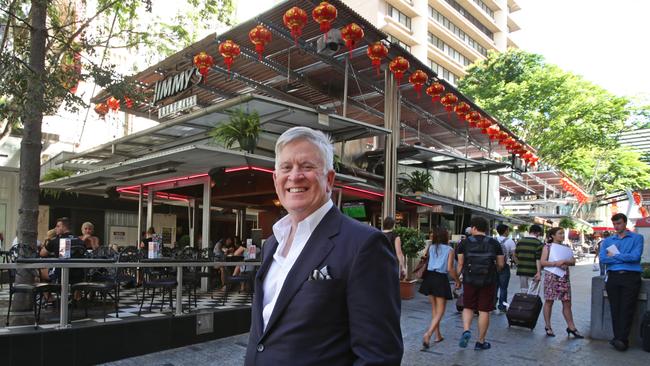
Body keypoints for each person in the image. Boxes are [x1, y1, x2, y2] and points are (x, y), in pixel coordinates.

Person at [245, 126, 403, 365]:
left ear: (329, 179)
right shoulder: (272, 243)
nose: (295, 176)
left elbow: (379, 356)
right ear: (276, 179)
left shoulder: (365, 244)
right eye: (286, 167)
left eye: (307, 167)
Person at [456, 216, 504, 351]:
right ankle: (480, 341)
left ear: (474, 228)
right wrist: (495, 271)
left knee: (468, 307)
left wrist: (457, 279)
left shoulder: (464, 243)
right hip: (488, 280)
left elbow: (460, 264)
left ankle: (466, 330)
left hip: (469, 279)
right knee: (484, 310)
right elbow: (501, 264)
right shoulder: (494, 243)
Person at [599, 213, 644, 351]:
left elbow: (635, 257)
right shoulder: (607, 241)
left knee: (627, 308)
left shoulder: (637, 238)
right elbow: (603, 259)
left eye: (619, 223)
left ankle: (621, 340)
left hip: (631, 277)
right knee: (615, 308)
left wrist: (616, 255)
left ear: (625, 223)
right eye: (615, 224)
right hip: (613, 277)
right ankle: (618, 338)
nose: (616, 226)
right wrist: (624, 257)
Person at [418, 229, 460, 349]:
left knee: (434, 309)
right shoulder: (450, 249)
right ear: (446, 237)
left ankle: (438, 335)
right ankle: (428, 334)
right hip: (440, 279)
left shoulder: (431, 248)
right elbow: (450, 268)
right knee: (440, 311)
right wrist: (458, 280)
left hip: (429, 278)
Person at [540, 227, 583, 338]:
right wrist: (556, 263)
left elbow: (573, 261)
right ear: (553, 235)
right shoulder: (547, 247)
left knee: (567, 302)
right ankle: (548, 326)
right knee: (549, 301)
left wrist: (565, 261)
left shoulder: (566, 247)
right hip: (552, 276)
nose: (562, 236)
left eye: (563, 233)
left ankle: (571, 327)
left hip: (563, 277)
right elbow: (543, 262)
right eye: (560, 233)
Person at [514, 224, 543, 293]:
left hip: (522, 270)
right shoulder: (539, 243)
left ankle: (524, 303)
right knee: (533, 292)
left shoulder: (520, 241)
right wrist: (539, 272)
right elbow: (538, 259)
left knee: (523, 290)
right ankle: (530, 304)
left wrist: (518, 264)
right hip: (533, 271)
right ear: (538, 232)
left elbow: (515, 255)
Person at [494, 224, 516, 313]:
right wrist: (518, 264)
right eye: (508, 230)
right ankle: (502, 306)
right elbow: (514, 256)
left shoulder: (493, 240)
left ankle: (491, 304)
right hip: (504, 266)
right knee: (503, 287)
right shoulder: (510, 241)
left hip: (493, 266)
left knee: (494, 286)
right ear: (506, 231)